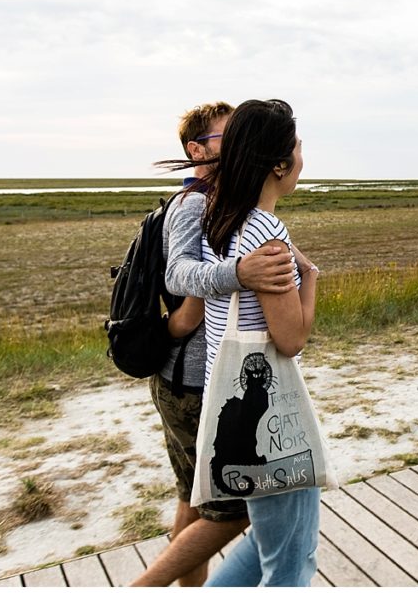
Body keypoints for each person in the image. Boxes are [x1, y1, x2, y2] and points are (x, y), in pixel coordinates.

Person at [133, 102, 298, 588]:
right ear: (196, 149)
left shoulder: (225, 199)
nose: (240, 144)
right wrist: (239, 273)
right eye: (228, 137)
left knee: (194, 497)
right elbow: (178, 273)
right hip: (195, 381)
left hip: (198, 375)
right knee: (230, 511)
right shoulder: (191, 203)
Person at [198, 98, 321, 587]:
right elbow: (290, 339)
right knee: (290, 566)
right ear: (278, 164)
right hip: (268, 423)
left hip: (230, 410)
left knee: (265, 547)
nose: (302, 159)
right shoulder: (266, 232)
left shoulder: (222, 220)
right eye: (298, 148)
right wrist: (310, 279)